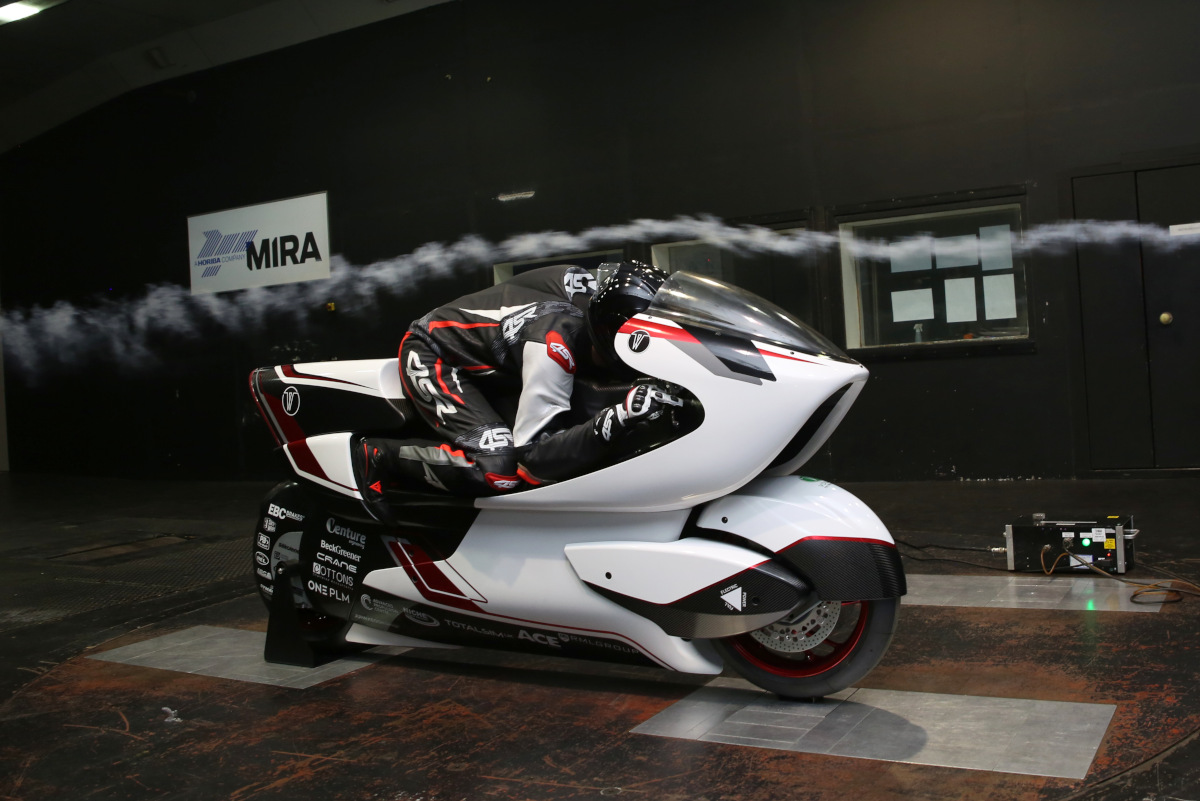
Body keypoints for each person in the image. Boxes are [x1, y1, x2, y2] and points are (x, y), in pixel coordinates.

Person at [353, 260, 679, 522]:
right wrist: (616, 419)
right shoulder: (552, 348)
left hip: (501, 357)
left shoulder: (596, 293)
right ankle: (380, 455)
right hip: (437, 352)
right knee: (499, 470)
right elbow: (532, 461)